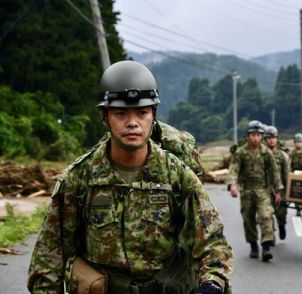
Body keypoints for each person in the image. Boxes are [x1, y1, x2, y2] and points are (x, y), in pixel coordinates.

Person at [27, 60, 233, 294]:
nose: (133, 123)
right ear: (105, 117)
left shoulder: (177, 176)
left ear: (153, 115)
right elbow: (50, 255)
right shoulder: (80, 179)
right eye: (121, 113)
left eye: (142, 113)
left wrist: (212, 282)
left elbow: (211, 241)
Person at [226, 120, 283, 262]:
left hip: (263, 189)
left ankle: (266, 246)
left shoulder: (266, 152)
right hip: (247, 190)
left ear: (261, 136)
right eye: (253, 135)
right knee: (248, 218)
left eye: (258, 135)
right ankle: (253, 245)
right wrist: (232, 184)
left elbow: (274, 172)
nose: (255, 138)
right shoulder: (241, 152)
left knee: (266, 215)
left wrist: (277, 190)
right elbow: (233, 169)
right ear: (248, 136)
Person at [263, 126, 289, 240]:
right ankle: (270, 236)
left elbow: (287, 175)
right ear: (265, 139)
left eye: (273, 137)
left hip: (280, 189)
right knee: (266, 214)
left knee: (281, 214)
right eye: (268, 138)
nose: (271, 140)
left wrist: (288, 192)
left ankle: (282, 225)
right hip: (265, 189)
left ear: (277, 139)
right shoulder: (261, 154)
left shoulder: (283, 155)